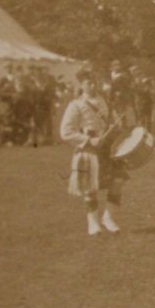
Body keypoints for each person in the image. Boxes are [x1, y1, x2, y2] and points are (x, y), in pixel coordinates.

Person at [61, 67, 129, 236]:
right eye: (88, 83)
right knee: (90, 187)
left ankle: (108, 218)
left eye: (95, 82)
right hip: (89, 149)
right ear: (82, 85)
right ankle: (93, 223)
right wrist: (89, 140)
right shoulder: (75, 105)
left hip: (108, 148)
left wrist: (117, 128)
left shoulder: (106, 101)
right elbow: (66, 132)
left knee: (118, 180)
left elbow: (115, 122)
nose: (93, 85)